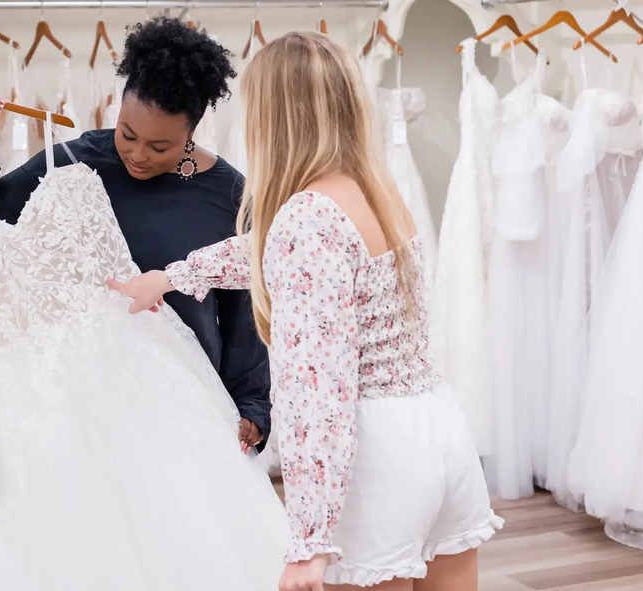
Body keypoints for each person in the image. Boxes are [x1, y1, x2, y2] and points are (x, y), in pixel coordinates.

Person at [107, 32, 502, 591]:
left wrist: (310, 540)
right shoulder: (375, 188)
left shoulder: (307, 217)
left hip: (376, 456)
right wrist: (172, 277)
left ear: (273, 118)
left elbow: (320, 392)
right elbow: (274, 250)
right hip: (439, 429)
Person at [0, 16, 270, 452]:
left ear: (192, 130)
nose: (137, 155)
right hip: (84, 409)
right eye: (128, 135)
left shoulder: (231, 195)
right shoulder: (78, 159)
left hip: (186, 410)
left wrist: (251, 405)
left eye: (160, 147)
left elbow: (245, 312)